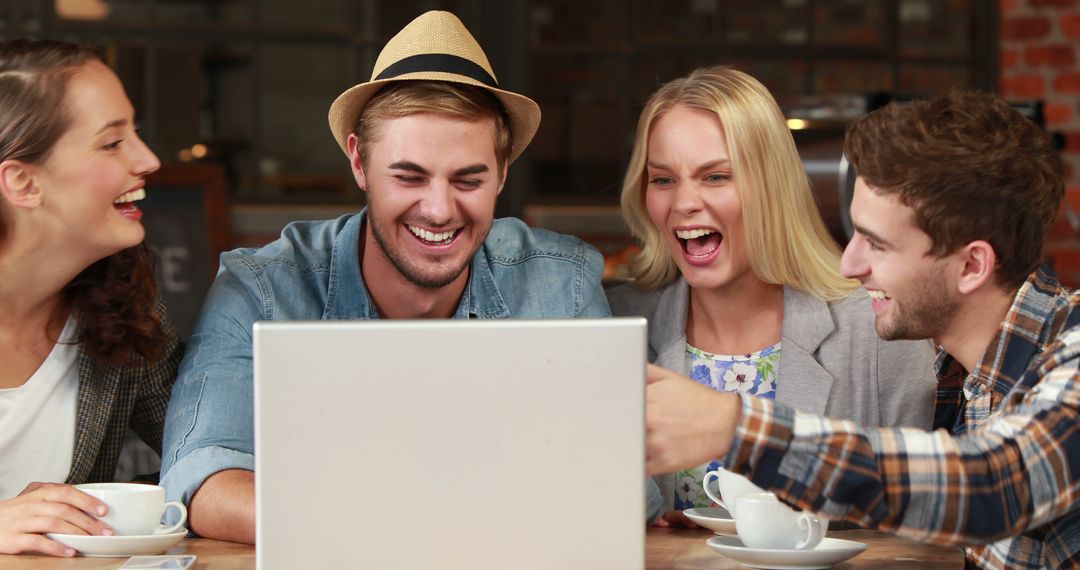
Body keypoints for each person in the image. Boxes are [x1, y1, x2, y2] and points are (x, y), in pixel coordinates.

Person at [159, 10, 609, 545]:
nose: (439, 210)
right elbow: (203, 480)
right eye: (408, 176)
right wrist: (406, 526)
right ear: (358, 162)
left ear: (503, 171)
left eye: (469, 179)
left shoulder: (563, 281)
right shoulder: (262, 288)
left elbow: (623, 481)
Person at [645, 90, 1078, 569]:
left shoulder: (1073, 359)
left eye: (877, 244)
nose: (849, 265)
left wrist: (738, 429)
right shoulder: (962, 382)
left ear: (972, 264)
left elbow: (991, 488)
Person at [606, 66, 937, 525]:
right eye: (662, 179)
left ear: (771, 186)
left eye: (716, 176)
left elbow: (921, 519)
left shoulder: (878, 331)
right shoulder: (615, 326)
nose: (683, 203)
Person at [0, 39, 181, 557]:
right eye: (111, 143)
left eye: (136, 134)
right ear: (23, 182)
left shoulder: (121, 311)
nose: (148, 160)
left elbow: (205, 448)